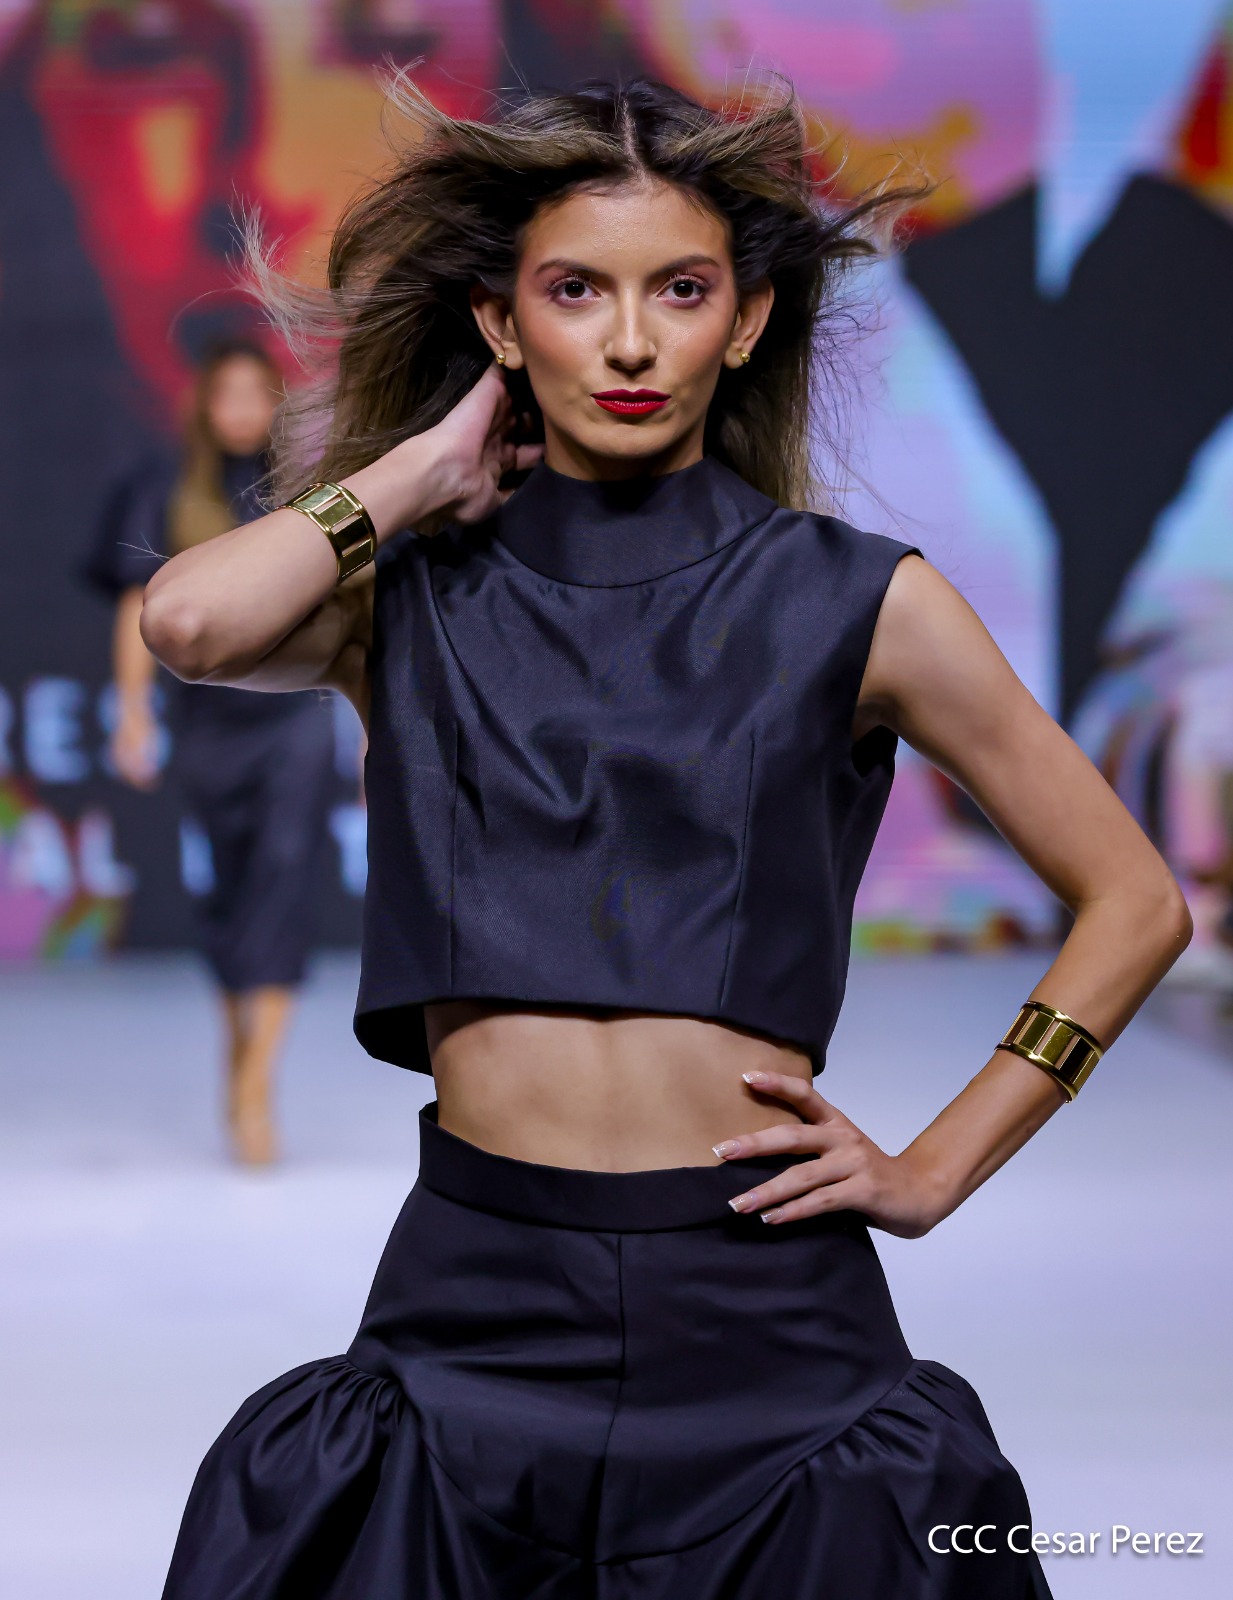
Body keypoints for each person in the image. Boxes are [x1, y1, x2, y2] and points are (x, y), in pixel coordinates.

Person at [141, 78, 1190, 1598]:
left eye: (681, 291)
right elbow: (186, 623)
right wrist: (418, 472)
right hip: (472, 1302)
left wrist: (937, 1168)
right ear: (503, 324)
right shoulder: (410, 596)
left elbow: (1135, 899)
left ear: (746, 320)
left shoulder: (860, 601)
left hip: (768, 1314)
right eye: (575, 290)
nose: (630, 342)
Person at [89, 340, 336, 1166]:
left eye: (255, 393)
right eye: (225, 393)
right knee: (231, 894)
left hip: (294, 714)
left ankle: (257, 1084)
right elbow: (137, 605)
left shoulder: (305, 492)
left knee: (285, 877)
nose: (240, 409)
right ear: (202, 402)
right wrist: (132, 713)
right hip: (206, 721)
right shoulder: (164, 485)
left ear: (277, 403)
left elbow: (357, 607)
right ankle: (240, 1050)